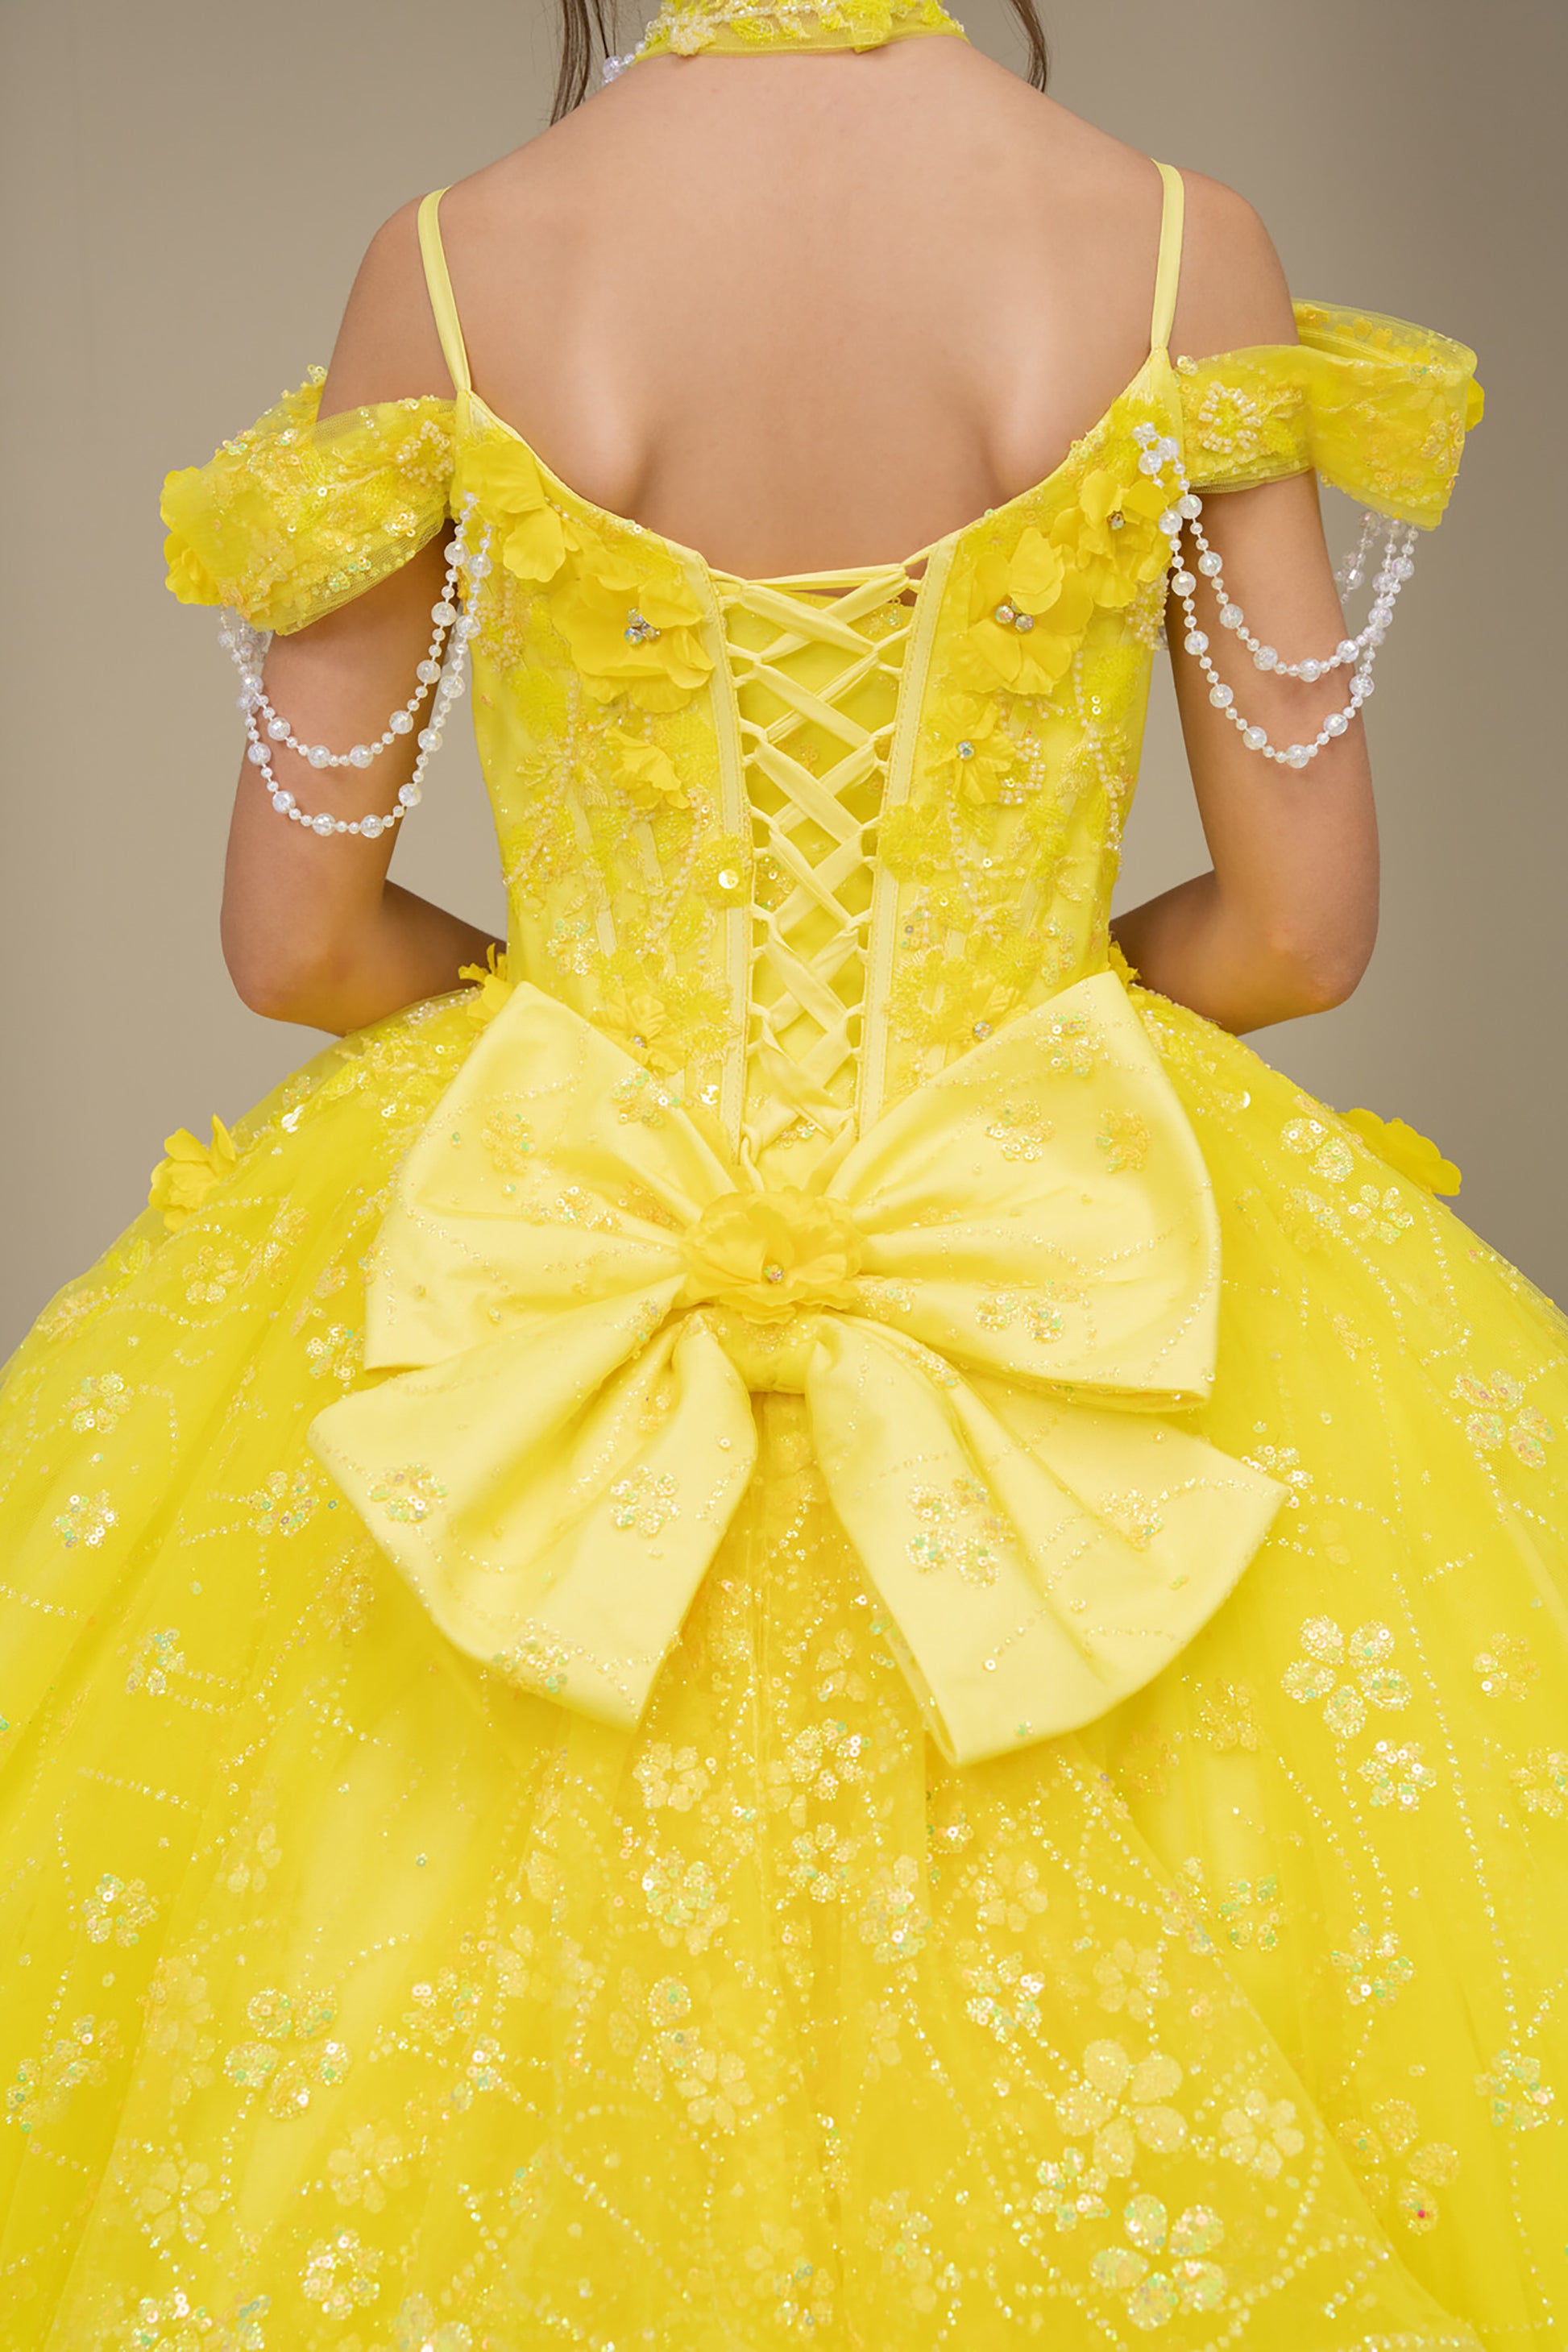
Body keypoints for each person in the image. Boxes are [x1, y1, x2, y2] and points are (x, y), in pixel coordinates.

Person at [0, 0, 1558, 2342]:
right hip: (1052, 1241)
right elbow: (1299, 927)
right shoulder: (1168, 251)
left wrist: (580, 1057)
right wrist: (1025, 1050)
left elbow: (292, 934)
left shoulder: (449, 269)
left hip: (562, 1243)